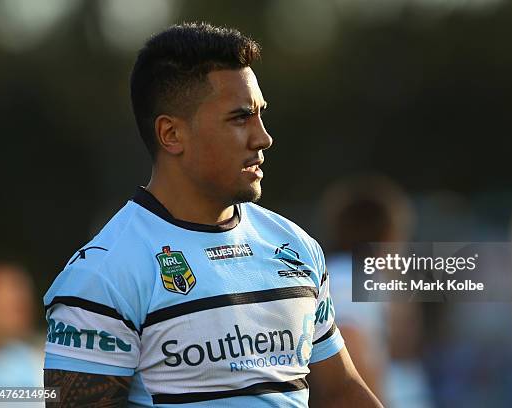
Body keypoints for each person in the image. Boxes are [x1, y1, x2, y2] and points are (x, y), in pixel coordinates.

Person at [43, 22, 382, 407]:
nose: (263, 137)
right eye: (240, 118)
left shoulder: (295, 246)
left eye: (260, 114)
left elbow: (340, 392)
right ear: (171, 135)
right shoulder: (104, 273)